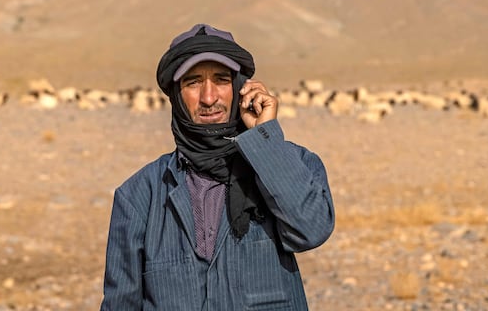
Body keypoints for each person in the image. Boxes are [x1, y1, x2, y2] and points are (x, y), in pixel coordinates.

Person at [100, 24, 335, 310]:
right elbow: (120, 303)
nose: (208, 98)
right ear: (176, 95)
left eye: (222, 80)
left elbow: (311, 230)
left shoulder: (289, 164)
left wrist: (265, 140)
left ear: (240, 89)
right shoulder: (139, 196)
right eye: (193, 82)